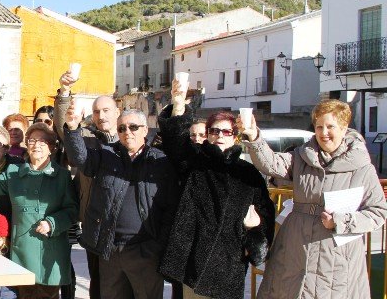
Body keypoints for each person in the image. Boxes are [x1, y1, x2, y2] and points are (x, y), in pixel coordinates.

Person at [241, 99, 387, 298]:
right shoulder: (301, 157)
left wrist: (341, 221)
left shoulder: (362, 168)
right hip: (295, 248)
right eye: (319, 126)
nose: (323, 132)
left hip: (336, 255)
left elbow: (378, 212)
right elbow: (272, 163)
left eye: (330, 126)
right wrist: (255, 138)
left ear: (344, 129)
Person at [156, 82, 275, 298]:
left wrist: (256, 228)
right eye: (214, 130)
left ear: (235, 136)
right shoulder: (194, 161)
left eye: (226, 131)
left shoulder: (248, 174)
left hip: (230, 267)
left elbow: (265, 215)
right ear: (208, 134)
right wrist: (179, 104)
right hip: (191, 264)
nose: (220, 135)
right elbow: (174, 141)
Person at [63, 102, 177, 299]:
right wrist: (73, 129)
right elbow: (80, 158)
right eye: (122, 128)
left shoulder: (160, 162)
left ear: (145, 130)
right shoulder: (106, 155)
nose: (127, 132)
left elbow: (170, 207)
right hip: (111, 250)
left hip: (145, 251)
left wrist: (157, 246)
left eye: (133, 127)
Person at [0, 122, 77, 298]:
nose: (37, 145)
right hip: (22, 251)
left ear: (51, 148)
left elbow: (72, 210)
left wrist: (52, 223)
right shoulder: (14, 172)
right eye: (32, 140)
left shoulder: (62, 176)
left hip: (50, 251)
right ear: (26, 145)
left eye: (43, 142)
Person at [55, 71, 121, 299]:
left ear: (117, 112)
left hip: (124, 229)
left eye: (106, 110)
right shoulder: (85, 140)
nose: (101, 116)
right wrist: (64, 92)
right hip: (95, 224)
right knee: (98, 283)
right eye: (96, 111)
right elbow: (65, 125)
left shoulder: (130, 140)